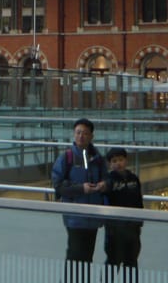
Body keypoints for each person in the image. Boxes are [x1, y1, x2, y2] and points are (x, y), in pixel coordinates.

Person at [51, 118, 108, 280]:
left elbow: (107, 179)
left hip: (93, 216)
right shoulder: (66, 158)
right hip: (75, 216)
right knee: (75, 255)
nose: (81, 136)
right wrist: (81, 189)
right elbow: (58, 186)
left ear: (91, 136)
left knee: (87, 257)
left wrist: (104, 184)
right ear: (73, 135)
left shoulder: (97, 159)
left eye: (85, 133)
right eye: (78, 132)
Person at [103, 147, 143, 281]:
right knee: (113, 262)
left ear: (126, 160)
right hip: (114, 230)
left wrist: (139, 222)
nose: (118, 163)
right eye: (114, 161)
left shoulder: (134, 179)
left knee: (131, 262)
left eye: (120, 160)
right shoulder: (108, 181)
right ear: (110, 164)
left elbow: (139, 201)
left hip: (133, 228)